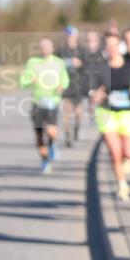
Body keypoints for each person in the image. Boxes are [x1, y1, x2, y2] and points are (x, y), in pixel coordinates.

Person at [93, 32, 130, 201]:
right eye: (108, 46)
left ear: (120, 46)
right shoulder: (101, 67)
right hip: (107, 112)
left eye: (114, 45)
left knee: (129, 152)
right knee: (115, 153)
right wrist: (97, 94)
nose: (112, 49)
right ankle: (122, 185)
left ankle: (129, 162)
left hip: (128, 112)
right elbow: (92, 88)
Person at [20, 38, 69, 173]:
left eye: (48, 46)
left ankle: (52, 145)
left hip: (53, 101)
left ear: (52, 48)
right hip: (37, 102)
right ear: (39, 49)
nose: (45, 49)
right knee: (39, 136)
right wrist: (29, 79)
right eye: (43, 47)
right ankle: (45, 160)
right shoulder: (32, 62)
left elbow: (65, 80)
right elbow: (23, 81)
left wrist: (61, 86)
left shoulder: (59, 63)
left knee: (52, 131)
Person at [58, 27, 85, 147]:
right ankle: (67, 136)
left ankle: (77, 128)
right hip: (65, 84)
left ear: (76, 37)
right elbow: (54, 64)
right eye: (68, 35)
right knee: (66, 111)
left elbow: (89, 67)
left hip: (78, 85)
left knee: (78, 112)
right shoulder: (60, 51)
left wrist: (81, 64)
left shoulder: (82, 51)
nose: (70, 38)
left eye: (72, 35)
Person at [82, 30, 107, 118]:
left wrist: (101, 90)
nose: (91, 44)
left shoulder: (104, 57)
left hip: (100, 94)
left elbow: (107, 76)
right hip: (84, 95)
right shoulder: (81, 55)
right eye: (88, 41)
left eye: (94, 41)